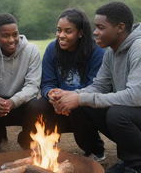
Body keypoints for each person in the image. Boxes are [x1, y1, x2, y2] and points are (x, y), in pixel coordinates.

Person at [53, 2, 141, 173]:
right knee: (85, 104)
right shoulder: (111, 52)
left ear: (120, 28)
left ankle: (137, 167)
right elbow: (99, 86)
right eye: (95, 27)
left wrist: (82, 98)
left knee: (118, 114)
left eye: (101, 27)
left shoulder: (138, 48)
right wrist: (73, 95)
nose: (94, 32)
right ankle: (128, 160)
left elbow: (136, 96)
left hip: (135, 107)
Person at [19, 9, 105, 160]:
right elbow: (46, 83)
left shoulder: (96, 52)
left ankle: (95, 150)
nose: (61, 35)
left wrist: (70, 97)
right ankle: (46, 147)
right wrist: (51, 94)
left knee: (81, 106)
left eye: (68, 31)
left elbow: (96, 86)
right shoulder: (52, 49)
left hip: (83, 102)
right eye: (59, 30)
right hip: (58, 103)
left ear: (80, 33)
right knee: (36, 105)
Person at [0, 13, 41, 152]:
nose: (12, 40)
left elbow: (33, 86)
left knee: (38, 105)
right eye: (5, 35)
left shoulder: (31, 50)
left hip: (22, 101)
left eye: (15, 34)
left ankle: (26, 140)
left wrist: (13, 101)